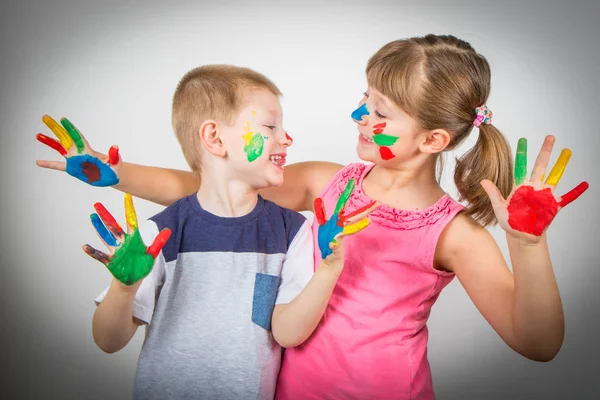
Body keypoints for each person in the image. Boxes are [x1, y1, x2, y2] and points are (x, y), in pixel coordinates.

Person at [36, 35, 589, 399]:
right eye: (363, 99)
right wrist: (116, 175)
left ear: (433, 139)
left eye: (378, 112)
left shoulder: (454, 233)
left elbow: (536, 342)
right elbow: (209, 185)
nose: (358, 116)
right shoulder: (329, 182)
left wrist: (529, 246)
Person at [37, 64, 375, 399]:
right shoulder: (161, 235)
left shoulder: (293, 232)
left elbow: (288, 334)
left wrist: (330, 270)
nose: (286, 139)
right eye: (270, 126)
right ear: (214, 138)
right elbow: (108, 342)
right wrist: (124, 290)